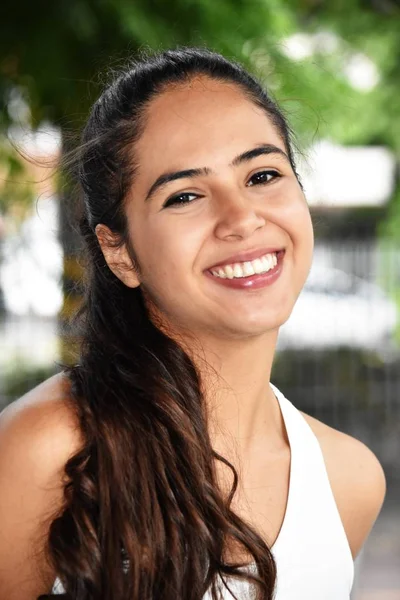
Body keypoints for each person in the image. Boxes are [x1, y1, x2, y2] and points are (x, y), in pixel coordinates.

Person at [0, 47, 386, 600]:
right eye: (184, 195)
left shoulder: (349, 480)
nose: (241, 217)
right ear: (120, 253)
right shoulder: (48, 455)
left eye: (262, 174)